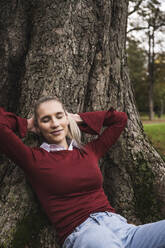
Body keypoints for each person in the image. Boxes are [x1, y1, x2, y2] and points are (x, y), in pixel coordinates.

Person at [0, 95, 165, 248]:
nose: (55, 124)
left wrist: (77, 118)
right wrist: (27, 124)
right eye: (46, 120)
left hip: (120, 227)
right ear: (38, 126)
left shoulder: (88, 151)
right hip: (84, 233)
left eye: (59, 116)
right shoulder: (33, 159)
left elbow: (120, 119)